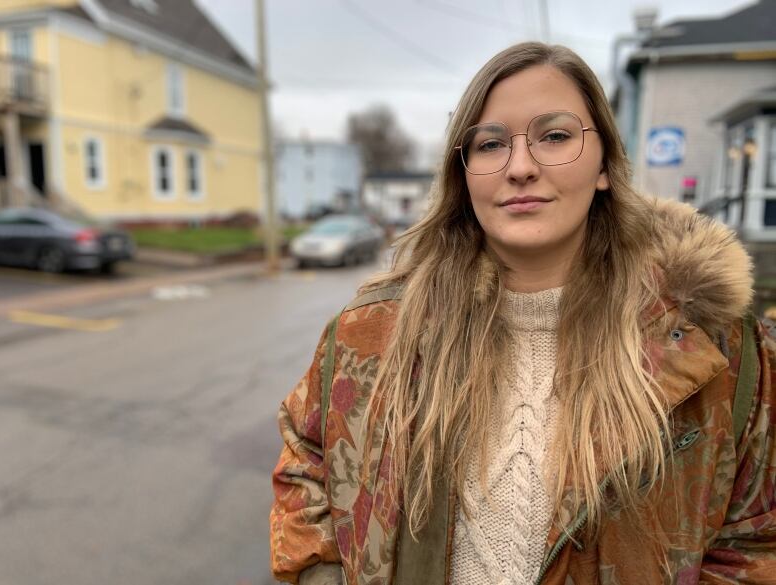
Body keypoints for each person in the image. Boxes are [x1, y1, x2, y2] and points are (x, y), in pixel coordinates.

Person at [270, 42, 776, 585]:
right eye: (489, 145)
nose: (519, 168)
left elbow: (755, 537)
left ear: (605, 163)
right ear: (463, 174)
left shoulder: (711, 348)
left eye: (555, 136)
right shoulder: (367, 334)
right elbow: (306, 463)